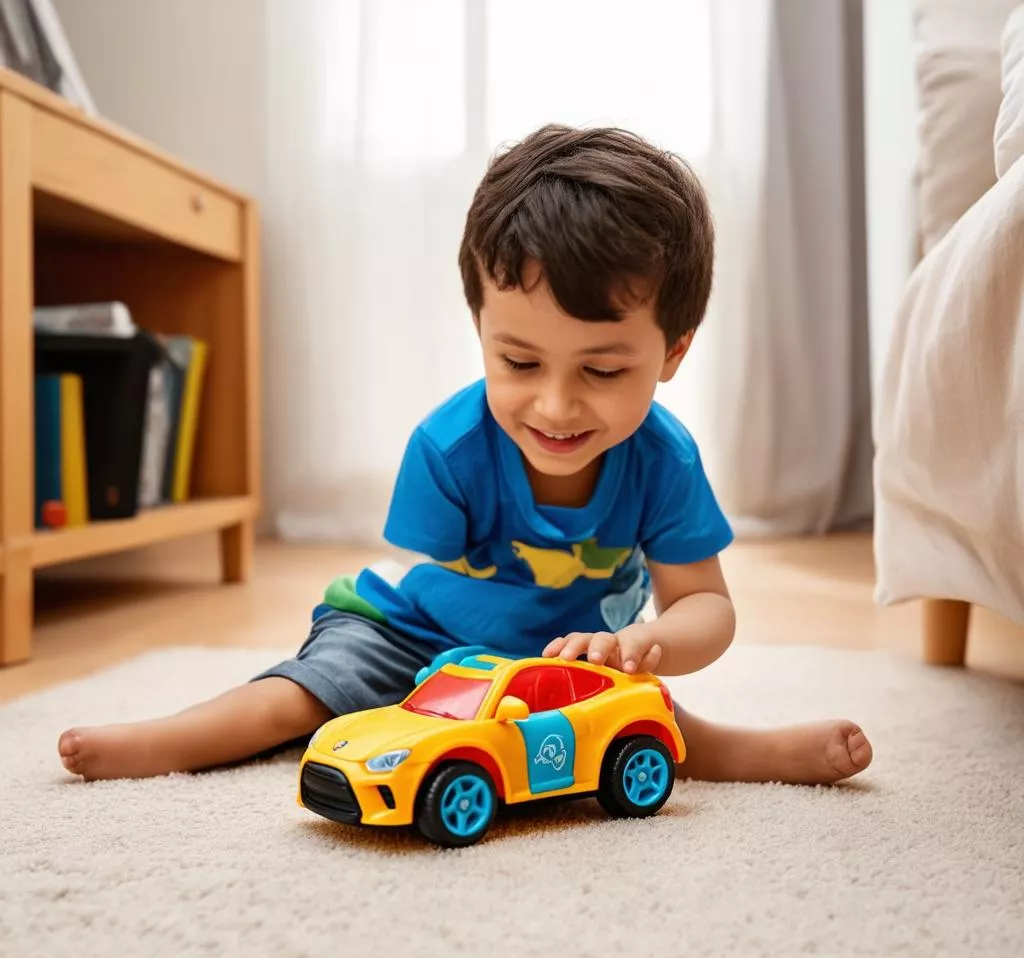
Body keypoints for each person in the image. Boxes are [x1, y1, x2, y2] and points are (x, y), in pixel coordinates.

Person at [58, 125, 872, 786]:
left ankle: (752, 753)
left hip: (559, 659)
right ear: (480, 327)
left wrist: (644, 645)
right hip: (408, 632)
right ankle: (162, 741)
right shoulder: (448, 447)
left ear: (673, 352)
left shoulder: (664, 460)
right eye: (520, 363)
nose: (555, 406)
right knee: (299, 700)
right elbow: (429, 579)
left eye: (603, 369)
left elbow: (709, 607)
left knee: (647, 724)